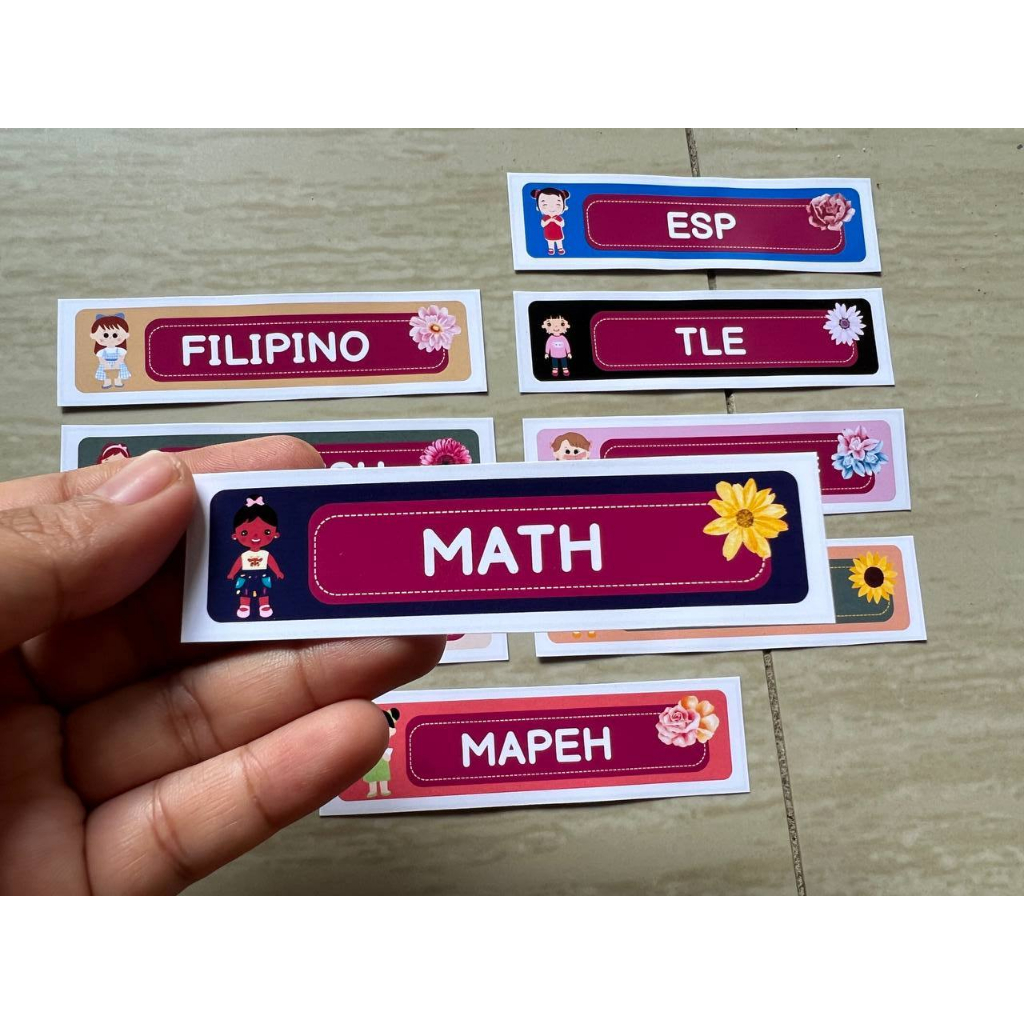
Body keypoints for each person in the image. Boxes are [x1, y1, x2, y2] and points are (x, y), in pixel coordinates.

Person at [0, 437, 444, 894]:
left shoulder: (267, 554)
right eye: (249, 535)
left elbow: (274, 569)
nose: (255, 539)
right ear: (238, 536)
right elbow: (233, 571)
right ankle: (255, 607)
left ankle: (260, 607)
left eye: (262, 535)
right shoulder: (239, 552)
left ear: (271, 536)